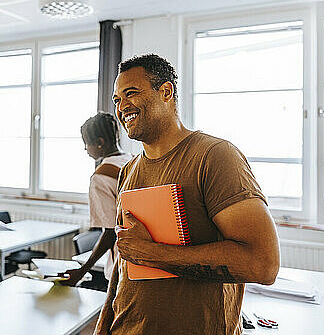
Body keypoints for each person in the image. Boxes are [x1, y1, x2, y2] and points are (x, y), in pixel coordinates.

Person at [95, 54, 280, 335]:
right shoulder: (128, 170)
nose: (122, 107)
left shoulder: (214, 156)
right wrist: (102, 327)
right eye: (117, 100)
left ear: (166, 92)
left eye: (130, 94)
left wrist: (156, 254)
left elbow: (262, 264)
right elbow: (126, 259)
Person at [60, 112, 131, 286]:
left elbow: (109, 232)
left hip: (122, 261)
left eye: (87, 143)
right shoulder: (132, 161)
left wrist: (82, 270)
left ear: (99, 143)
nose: (86, 149)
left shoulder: (101, 177)